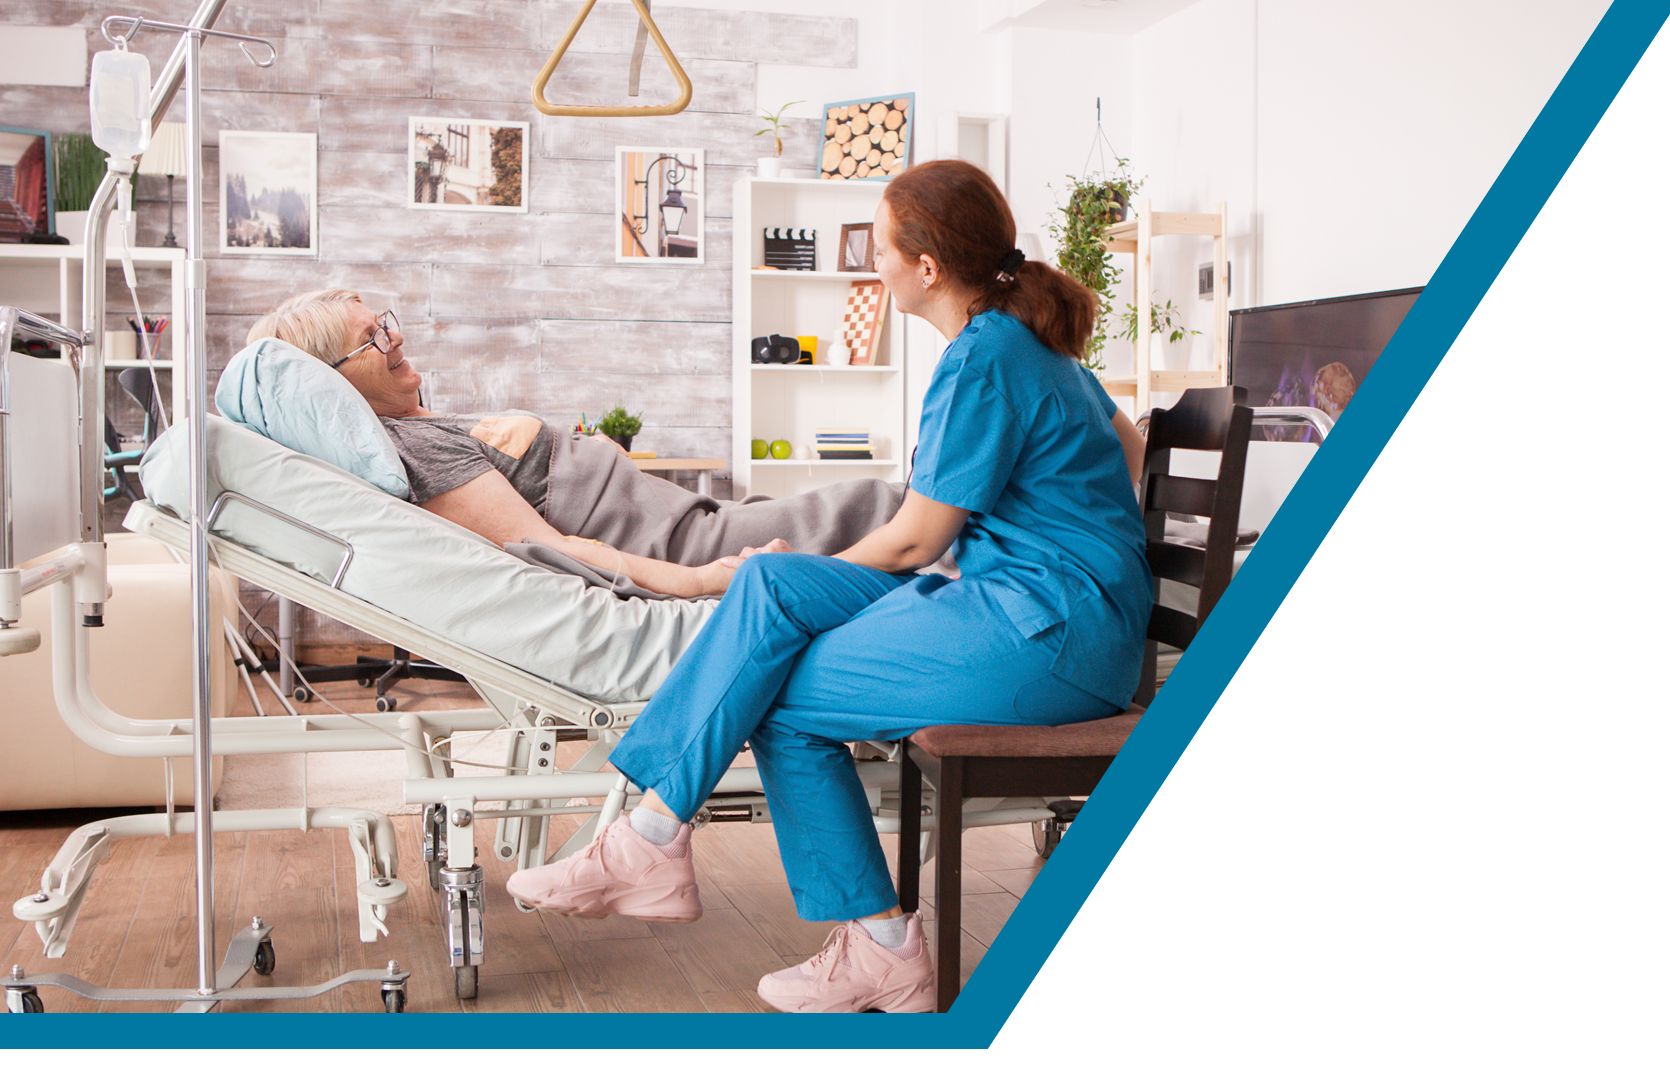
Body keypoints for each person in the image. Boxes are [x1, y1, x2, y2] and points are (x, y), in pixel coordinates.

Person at [505, 159, 1153, 1012]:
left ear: (927, 268)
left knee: (773, 691)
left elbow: (918, 538)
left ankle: (864, 940)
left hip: (1047, 637)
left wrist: (1023, 554)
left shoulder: (985, 359)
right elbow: (1129, 449)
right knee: (772, 583)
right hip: (1045, 613)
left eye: (880, 248)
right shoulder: (1025, 342)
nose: (872, 264)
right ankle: (653, 839)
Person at [247, 291, 911, 599]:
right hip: (674, 544)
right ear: (335, 382)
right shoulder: (418, 453)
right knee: (870, 506)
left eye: (385, 324)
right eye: (372, 339)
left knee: (864, 517)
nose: (395, 338)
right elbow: (547, 547)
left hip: (677, 517)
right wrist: (701, 581)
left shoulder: (419, 425)